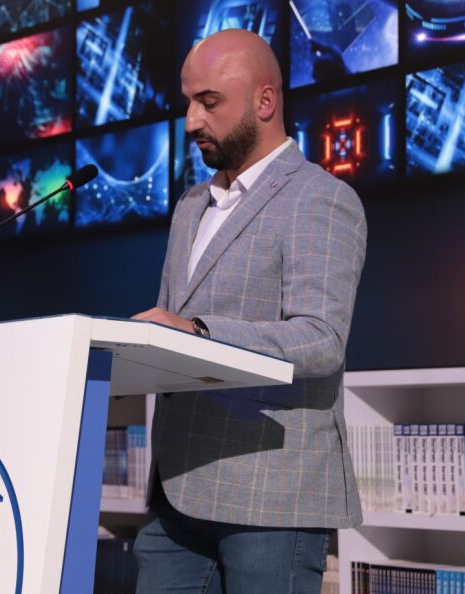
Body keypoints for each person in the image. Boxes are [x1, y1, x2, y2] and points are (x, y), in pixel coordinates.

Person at [131, 29, 367, 593]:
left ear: (264, 101)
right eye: (188, 102)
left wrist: (197, 333)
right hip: (176, 491)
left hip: (270, 498)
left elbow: (320, 340)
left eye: (209, 102)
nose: (191, 120)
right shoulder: (190, 205)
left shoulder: (321, 198)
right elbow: (172, 329)